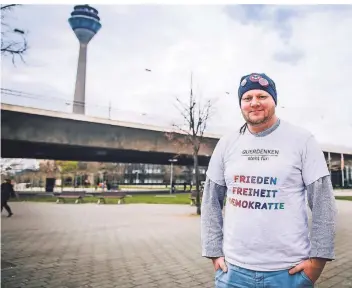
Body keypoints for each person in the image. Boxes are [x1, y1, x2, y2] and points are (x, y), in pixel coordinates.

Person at [201, 73, 337, 287]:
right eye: (247, 98)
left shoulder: (302, 140)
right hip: (232, 272)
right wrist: (213, 253)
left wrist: (317, 263)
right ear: (241, 104)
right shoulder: (227, 143)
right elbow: (210, 201)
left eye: (262, 96)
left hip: (288, 272)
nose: (254, 102)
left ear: (274, 100)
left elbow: (323, 203)